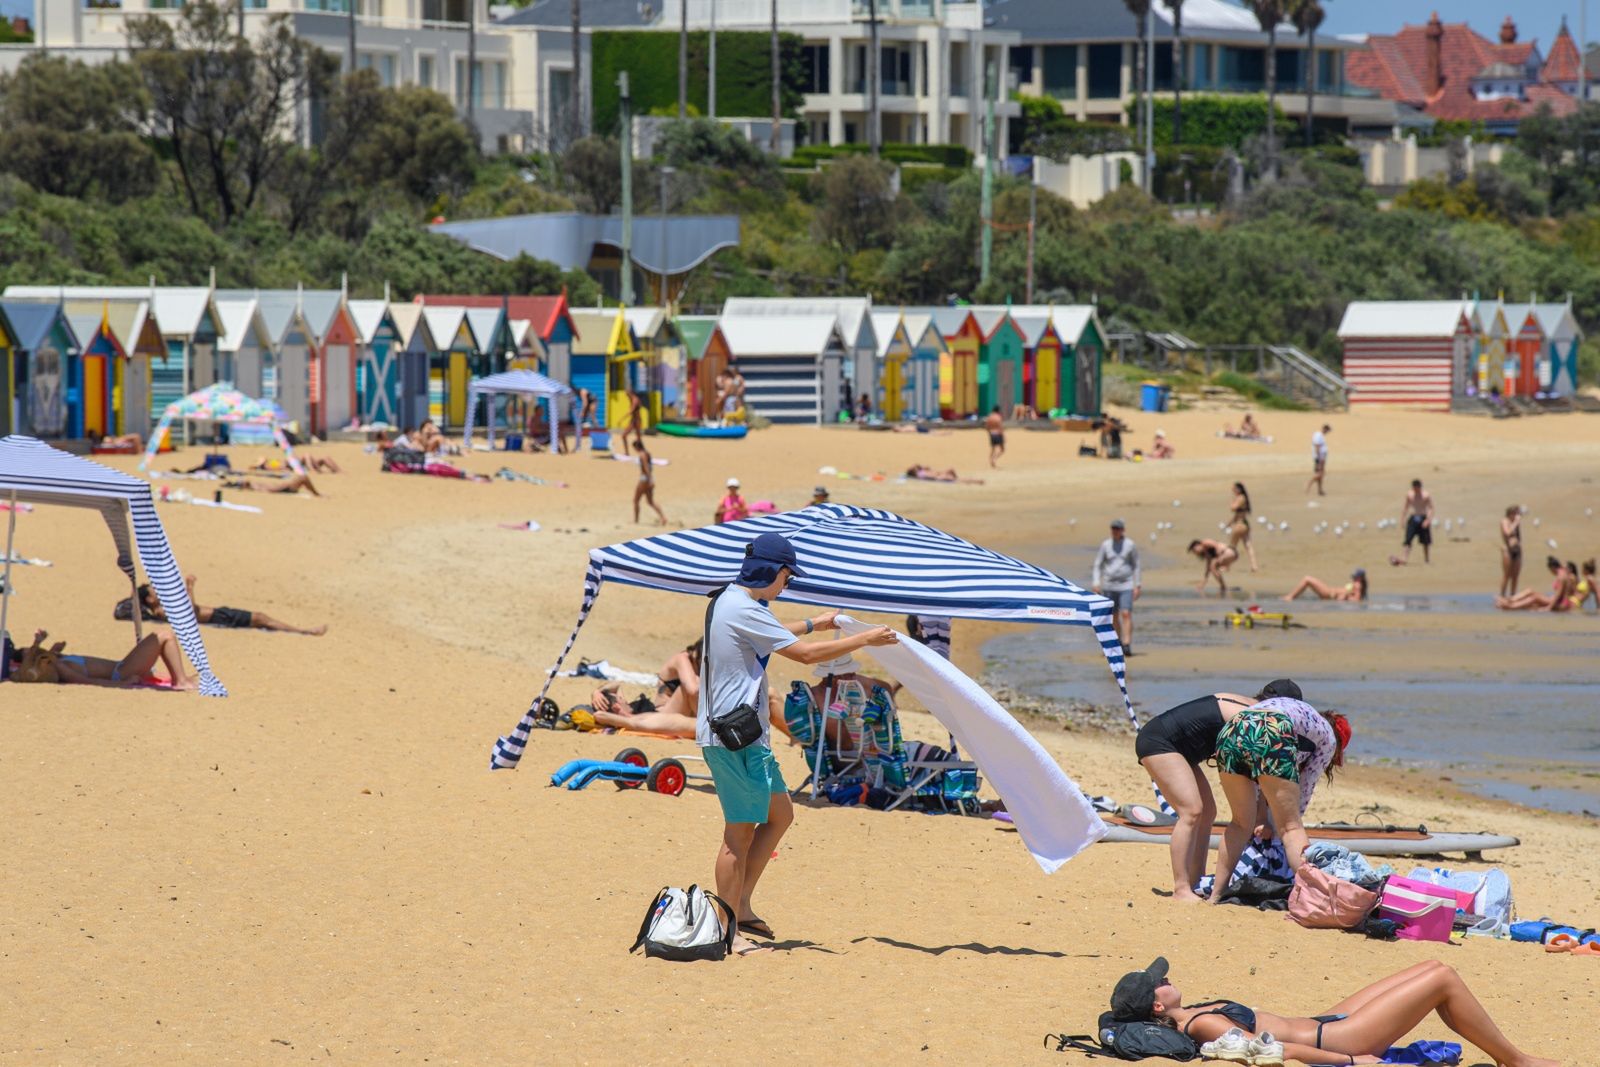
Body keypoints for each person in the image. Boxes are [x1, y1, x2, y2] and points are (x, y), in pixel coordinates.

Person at [699, 532, 897, 955]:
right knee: (738, 836)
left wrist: (814, 622)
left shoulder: (731, 601)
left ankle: (743, 905)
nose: (786, 586)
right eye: (787, 578)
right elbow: (806, 656)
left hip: (743, 733)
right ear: (774, 571)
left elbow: (768, 633)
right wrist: (866, 640)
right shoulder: (742, 606)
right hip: (735, 737)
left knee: (781, 814)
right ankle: (726, 931)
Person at [1107, 958, 1559, 1067]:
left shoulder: (1192, 1010)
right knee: (1442, 979)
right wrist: (1349, 1061)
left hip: (1327, 1022)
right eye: (1160, 983)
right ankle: (1514, 1060)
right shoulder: (1199, 1022)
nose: (1166, 978)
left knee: (1431, 967)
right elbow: (1270, 1051)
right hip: (1338, 1041)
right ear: (1157, 1004)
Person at [1209, 683, 1345, 899]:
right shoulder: (1327, 738)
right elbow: (1305, 787)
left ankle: (1216, 894)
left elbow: (1261, 778)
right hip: (1273, 727)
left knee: (1239, 823)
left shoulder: (1299, 716)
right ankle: (1310, 898)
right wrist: (1286, 823)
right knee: (1291, 828)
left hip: (1232, 728)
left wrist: (1262, 818)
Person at [1134, 691, 1257, 902]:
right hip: (1158, 742)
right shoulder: (1251, 716)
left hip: (1177, 747)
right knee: (1191, 812)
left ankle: (1195, 881)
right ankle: (1181, 888)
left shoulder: (1247, 704)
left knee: (1208, 812)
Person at [9, 627, 195, 690]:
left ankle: (181, 679)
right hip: (121, 673)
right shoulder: (58, 666)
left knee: (163, 637)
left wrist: (50, 647)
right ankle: (180, 681)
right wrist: (125, 684)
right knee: (163, 636)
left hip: (122, 667)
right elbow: (88, 681)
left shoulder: (57, 658)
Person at [127, 577, 327, 636]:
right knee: (260, 618)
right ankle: (303, 631)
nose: (158, 592)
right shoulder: (161, 612)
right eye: (154, 592)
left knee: (261, 617)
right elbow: (190, 611)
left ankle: (301, 630)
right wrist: (189, 588)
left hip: (219, 613)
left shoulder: (161, 608)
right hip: (220, 618)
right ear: (150, 601)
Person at [1092, 519, 1141, 655]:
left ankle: (1127, 643)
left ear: (1122, 530)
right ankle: (1117, 642)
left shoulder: (1130, 545)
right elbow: (1098, 564)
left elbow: (1136, 565)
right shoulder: (1106, 545)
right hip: (1108, 585)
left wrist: (1137, 585)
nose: (1115, 531)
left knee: (1126, 613)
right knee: (1113, 616)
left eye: (1118, 529)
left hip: (1126, 584)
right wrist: (1096, 582)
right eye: (1113, 528)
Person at [1497, 556, 1573, 612]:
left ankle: (1511, 606)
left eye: (1550, 570)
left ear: (1553, 568)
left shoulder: (1561, 577)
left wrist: (1548, 608)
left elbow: (1558, 595)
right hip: (1558, 600)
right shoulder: (1563, 572)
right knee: (1530, 592)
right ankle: (1510, 600)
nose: (1551, 572)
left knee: (1534, 598)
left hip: (1561, 604)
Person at [1390, 479, 1436, 566]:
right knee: (1408, 539)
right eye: (1414, 488)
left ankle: (1426, 560)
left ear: (1420, 487)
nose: (1415, 490)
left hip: (1423, 518)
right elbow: (1405, 507)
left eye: (1417, 488)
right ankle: (1404, 558)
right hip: (1413, 518)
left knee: (1425, 541)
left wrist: (1428, 520)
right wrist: (1402, 520)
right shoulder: (1409, 495)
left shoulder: (1426, 495)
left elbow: (1431, 508)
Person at [632, 443, 668, 526]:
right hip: (649, 478)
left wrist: (650, 479)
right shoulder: (647, 453)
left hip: (645, 479)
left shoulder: (642, 455)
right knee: (650, 501)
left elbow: (646, 467)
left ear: (637, 447)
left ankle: (636, 520)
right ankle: (663, 517)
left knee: (636, 500)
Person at [1283, 569, 1368, 602]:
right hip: (1329, 593)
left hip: (1328, 593)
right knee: (1308, 580)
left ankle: (1290, 597)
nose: (1353, 577)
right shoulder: (1358, 584)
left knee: (1307, 579)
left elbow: (1357, 600)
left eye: (1355, 576)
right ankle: (1290, 597)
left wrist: (1345, 597)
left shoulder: (1358, 585)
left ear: (1359, 577)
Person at [1226, 482, 1258, 571]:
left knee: (1232, 547)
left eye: (1234, 489)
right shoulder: (1244, 498)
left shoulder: (1240, 498)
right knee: (1248, 546)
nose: (1233, 491)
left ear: (1238, 490)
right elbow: (1237, 514)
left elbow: (1233, 508)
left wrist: (1232, 500)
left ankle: (1227, 565)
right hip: (1244, 523)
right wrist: (1229, 523)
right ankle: (1254, 565)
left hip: (1239, 525)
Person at [223, 472, 322, 495]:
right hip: (287, 487)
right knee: (303, 477)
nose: (245, 480)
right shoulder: (255, 487)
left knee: (303, 477)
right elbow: (270, 490)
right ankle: (317, 494)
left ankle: (316, 493)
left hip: (286, 486)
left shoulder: (254, 484)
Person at [1499, 505, 1523, 598]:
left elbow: (1518, 537)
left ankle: (1513, 596)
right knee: (1507, 575)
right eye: (1517, 513)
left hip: (1517, 549)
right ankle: (1502, 596)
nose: (1518, 515)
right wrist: (1516, 522)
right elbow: (1507, 533)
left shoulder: (1515, 523)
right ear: (1511, 513)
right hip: (1508, 550)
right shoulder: (1505, 521)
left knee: (1515, 575)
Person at [1306, 424, 1329, 495]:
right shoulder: (1318, 435)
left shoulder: (1320, 435)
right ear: (1325, 429)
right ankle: (1309, 484)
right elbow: (1317, 446)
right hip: (1319, 458)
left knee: (1320, 474)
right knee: (1321, 474)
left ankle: (1320, 490)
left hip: (1321, 457)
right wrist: (1318, 458)